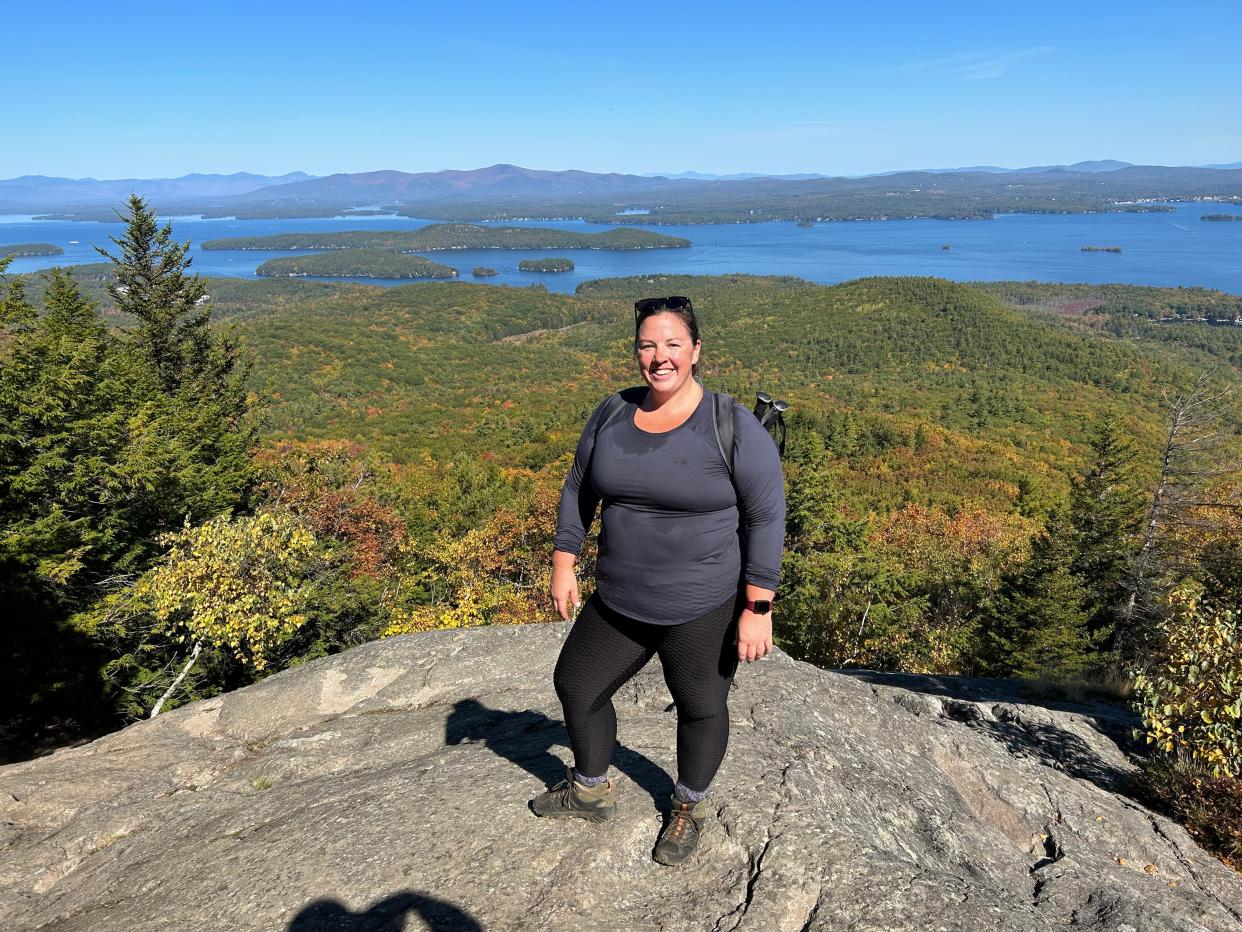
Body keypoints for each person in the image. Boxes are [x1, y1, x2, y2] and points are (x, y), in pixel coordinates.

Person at [529, 295, 786, 866]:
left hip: (702, 602)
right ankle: (591, 789)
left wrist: (758, 607)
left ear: (695, 351)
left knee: (699, 705)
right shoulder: (613, 413)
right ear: (637, 353)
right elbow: (578, 485)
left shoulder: (730, 425)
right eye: (648, 345)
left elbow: (768, 515)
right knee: (577, 684)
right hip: (620, 596)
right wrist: (563, 558)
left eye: (673, 344)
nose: (660, 357)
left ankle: (687, 807)